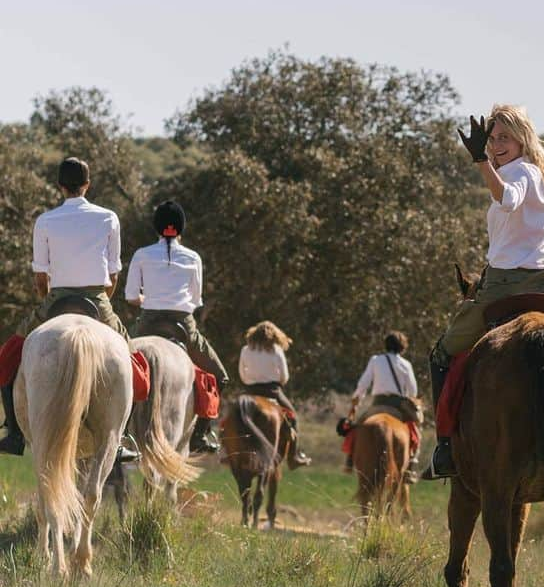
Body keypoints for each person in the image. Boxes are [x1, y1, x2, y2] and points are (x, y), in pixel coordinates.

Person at [425, 105, 544, 478]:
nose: (495, 145)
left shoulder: (517, 172)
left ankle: (445, 446)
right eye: (491, 140)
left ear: (523, 138)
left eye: (503, 137)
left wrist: (480, 162)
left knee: (442, 353)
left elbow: (507, 198)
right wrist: (530, 248)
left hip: (503, 286)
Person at [0, 157, 134, 458]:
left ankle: (14, 433)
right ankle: (122, 437)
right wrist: (103, 303)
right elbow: (113, 275)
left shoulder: (45, 221)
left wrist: (46, 302)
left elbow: (40, 277)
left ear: (60, 186)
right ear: (88, 184)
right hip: (98, 300)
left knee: (7, 358)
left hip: (55, 299)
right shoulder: (108, 217)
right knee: (135, 363)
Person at [125, 200, 230, 454]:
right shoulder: (193, 257)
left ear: (156, 228)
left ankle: (121, 430)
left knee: (117, 367)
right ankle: (201, 434)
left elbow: (131, 296)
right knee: (219, 376)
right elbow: (196, 300)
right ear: (181, 227)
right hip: (184, 326)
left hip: (148, 322)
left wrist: (147, 300)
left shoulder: (141, 254)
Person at [346, 331, 423, 479]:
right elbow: (413, 391)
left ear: (386, 345)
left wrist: (356, 400)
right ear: (402, 347)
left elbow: (363, 384)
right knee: (416, 433)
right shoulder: (406, 364)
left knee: (356, 429)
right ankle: (411, 465)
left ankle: (349, 460)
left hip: (378, 404)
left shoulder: (375, 360)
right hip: (398, 405)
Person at [237, 321, 311, 468]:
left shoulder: (245, 349)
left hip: (250, 391)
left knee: (233, 418)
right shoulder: (277, 350)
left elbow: (242, 374)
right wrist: (278, 383)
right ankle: (293, 457)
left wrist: (251, 381)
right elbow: (285, 376)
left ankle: (226, 453)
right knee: (293, 416)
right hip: (272, 390)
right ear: (274, 335)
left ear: (254, 334)